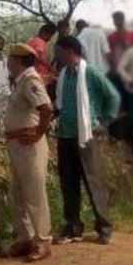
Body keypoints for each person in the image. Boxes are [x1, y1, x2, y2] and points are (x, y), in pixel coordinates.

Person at [53, 36, 120, 245]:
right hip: (65, 135)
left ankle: (104, 227)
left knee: (93, 182)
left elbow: (113, 96)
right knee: (68, 183)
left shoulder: (89, 72)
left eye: (59, 51)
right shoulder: (63, 74)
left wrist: (104, 121)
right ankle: (73, 227)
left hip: (86, 136)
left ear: (70, 51)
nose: (56, 55)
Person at [3, 44, 54, 262]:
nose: (7, 62)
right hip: (17, 143)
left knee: (34, 193)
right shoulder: (20, 81)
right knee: (19, 193)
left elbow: (46, 109)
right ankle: (25, 238)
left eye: (10, 59)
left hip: (29, 144)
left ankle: (43, 240)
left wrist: (38, 134)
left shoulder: (31, 80)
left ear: (18, 60)